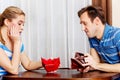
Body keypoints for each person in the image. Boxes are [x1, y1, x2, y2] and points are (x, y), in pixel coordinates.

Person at [0, 6, 43, 76]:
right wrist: (16, 43)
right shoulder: (16, 42)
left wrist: (44, 63)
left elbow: (28, 64)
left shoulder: (15, 41)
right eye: (19, 24)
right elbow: (13, 70)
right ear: (7, 22)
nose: (22, 28)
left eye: (23, 25)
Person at [77, 5, 120, 73]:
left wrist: (96, 65)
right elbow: (95, 63)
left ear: (97, 21)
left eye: (85, 23)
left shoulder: (117, 35)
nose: (82, 29)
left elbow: (97, 65)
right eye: (81, 24)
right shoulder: (92, 38)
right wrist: (87, 66)